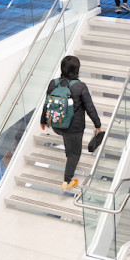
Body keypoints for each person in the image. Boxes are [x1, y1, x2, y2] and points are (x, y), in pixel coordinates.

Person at [40, 55, 101, 191]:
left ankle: (68, 159)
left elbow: (47, 104)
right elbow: (90, 108)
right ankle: (67, 181)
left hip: (56, 125)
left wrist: (43, 120)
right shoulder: (80, 87)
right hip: (74, 128)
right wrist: (97, 124)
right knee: (75, 154)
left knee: (69, 143)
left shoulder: (53, 83)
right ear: (77, 69)